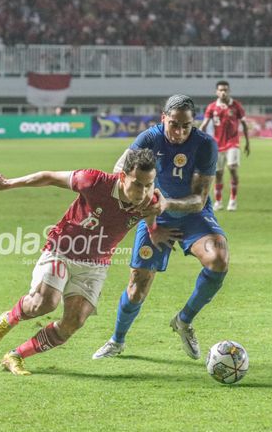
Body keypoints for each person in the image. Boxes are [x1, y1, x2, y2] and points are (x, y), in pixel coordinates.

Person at [0, 149, 160, 376]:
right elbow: (50, 176)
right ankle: (10, 318)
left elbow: (153, 216)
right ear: (123, 177)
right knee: (45, 303)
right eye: (137, 184)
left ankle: (15, 356)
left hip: (95, 264)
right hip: (62, 250)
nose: (143, 192)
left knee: (73, 322)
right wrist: (8, 184)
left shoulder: (150, 201)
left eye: (149, 185)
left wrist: (155, 230)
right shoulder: (94, 182)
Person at [92, 94, 228, 361]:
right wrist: (151, 217)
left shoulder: (205, 145)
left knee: (219, 259)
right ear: (162, 118)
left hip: (192, 214)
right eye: (174, 124)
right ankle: (117, 341)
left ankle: (184, 320)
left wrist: (166, 204)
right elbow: (120, 170)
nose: (179, 132)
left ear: (194, 123)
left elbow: (199, 199)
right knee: (137, 287)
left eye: (186, 126)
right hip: (154, 213)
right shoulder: (149, 139)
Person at [199, 81, 250, 212]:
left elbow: (244, 124)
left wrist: (248, 143)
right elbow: (204, 125)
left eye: (226, 90)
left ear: (229, 91)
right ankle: (219, 201)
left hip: (233, 142)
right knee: (218, 173)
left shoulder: (236, 106)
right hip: (217, 144)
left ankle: (233, 200)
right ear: (216, 92)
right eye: (221, 90)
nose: (223, 92)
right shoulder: (212, 107)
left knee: (232, 168)